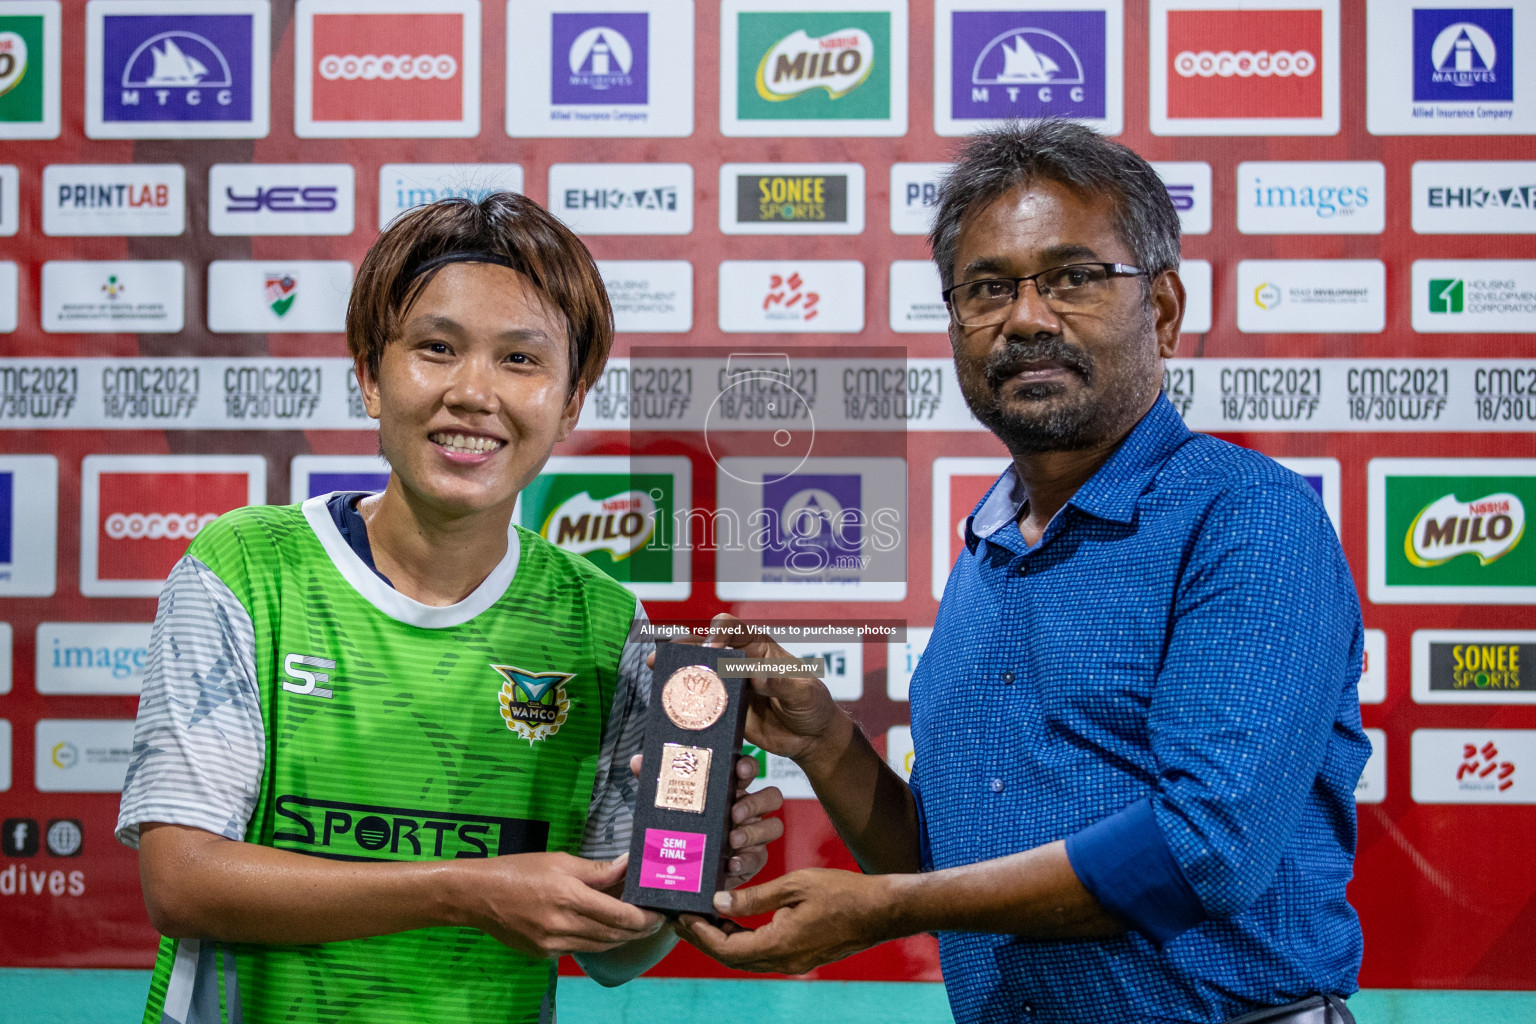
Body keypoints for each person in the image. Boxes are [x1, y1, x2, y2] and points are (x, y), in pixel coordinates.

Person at [679, 120, 1369, 1024]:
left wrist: (883, 913)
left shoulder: (1249, 518)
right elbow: (950, 869)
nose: (1027, 317)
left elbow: (1204, 850)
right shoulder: (989, 549)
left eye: (1074, 277)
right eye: (988, 288)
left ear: (1161, 309)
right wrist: (826, 743)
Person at [116, 193, 783, 1024]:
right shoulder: (247, 567)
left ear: (571, 402)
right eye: (437, 348)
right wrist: (468, 891)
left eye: (520, 360)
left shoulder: (605, 624)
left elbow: (615, 951)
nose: (473, 393)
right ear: (369, 374)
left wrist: (682, 869)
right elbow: (180, 883)